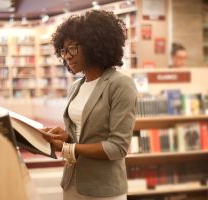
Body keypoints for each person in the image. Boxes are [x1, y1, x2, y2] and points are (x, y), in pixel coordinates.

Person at [42, 10, 137, 200]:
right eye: (63, 50)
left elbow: (117, 147)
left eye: (72, 48)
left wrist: (69, 148)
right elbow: (83, 135)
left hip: (103, 188)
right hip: (72, 182)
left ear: (94, 45)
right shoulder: (75, 87)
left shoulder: (120, 84)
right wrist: (67, 136)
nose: (67, 56)